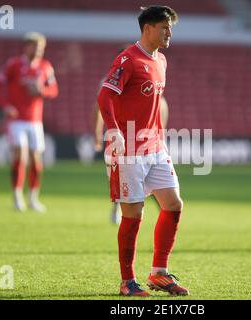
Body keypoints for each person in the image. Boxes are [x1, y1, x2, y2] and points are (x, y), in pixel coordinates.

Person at [97, 6, 188, 296]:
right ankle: (127, 282)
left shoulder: (160, 60)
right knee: (133, 216)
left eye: (170, 28)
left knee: (173, 204)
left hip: (155, 147)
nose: (169, 33)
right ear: (148, 28)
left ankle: (159, 273)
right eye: (165, 27)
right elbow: (105, 94)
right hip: (129, 151)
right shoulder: (128, 60)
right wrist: (112, 130)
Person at [92, 57, 169, 225]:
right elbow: (99, 105)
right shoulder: (109, 81)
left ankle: (160, 210)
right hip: (120, 138)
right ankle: (118, 208)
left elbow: (160, 105)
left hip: (149, 138)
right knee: (119, 179)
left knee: (156, 182)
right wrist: (99, 132)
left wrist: (161, 133)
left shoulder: (148, 73)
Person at [0, 32, 58, 213]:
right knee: (20, 155)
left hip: (35, 120)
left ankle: (33, 197)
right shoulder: (13, 64)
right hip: (16, 120)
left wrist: (41, 90)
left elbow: (53, 90)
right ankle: (17, 195)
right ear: (26, 47)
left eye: (41, 48)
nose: (38, 51)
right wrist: (6, 106)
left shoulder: (45, 67)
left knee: (36, 160)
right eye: (35, 47)